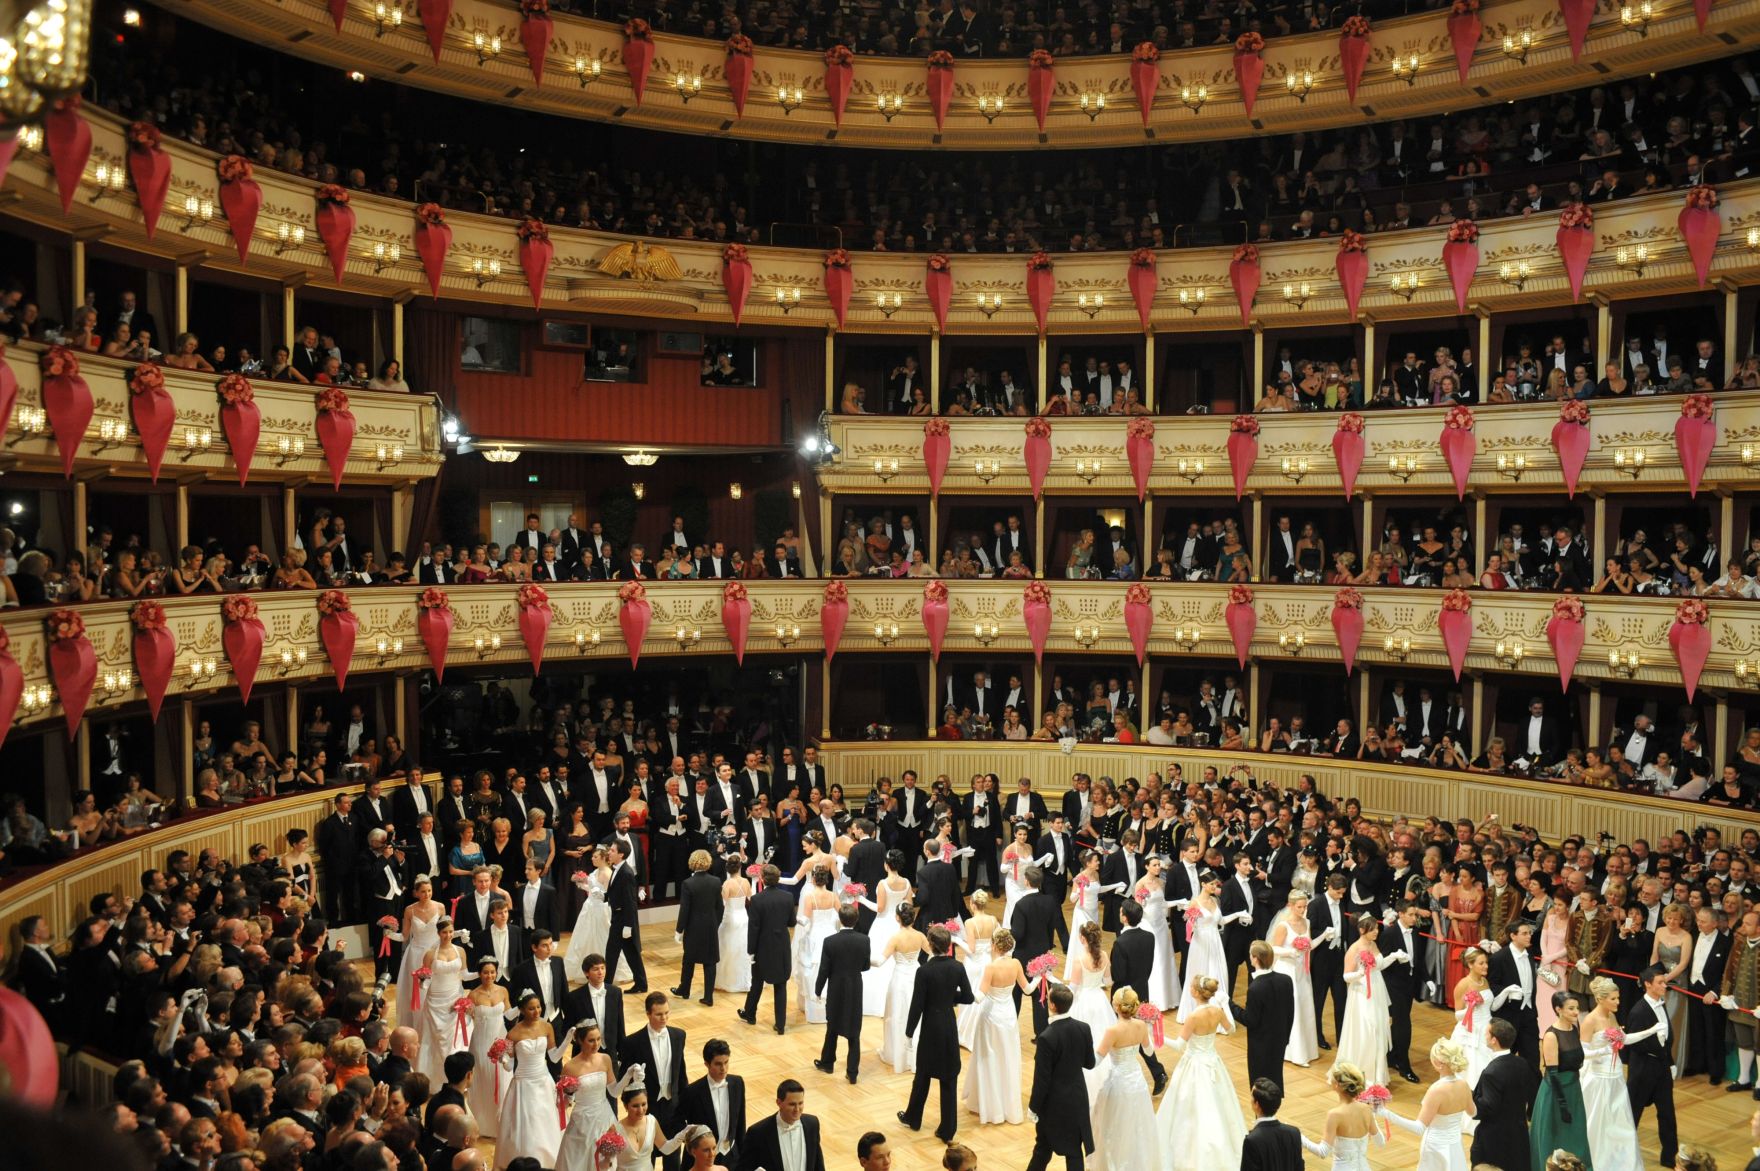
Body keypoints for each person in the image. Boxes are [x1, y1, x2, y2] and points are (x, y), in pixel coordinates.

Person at [1153, 976, 1246, 1171]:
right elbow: (1232, 1031)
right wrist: (1224, 1006)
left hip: (1194, 1064)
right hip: (1213, 1062)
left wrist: (1158, 1036)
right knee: (1219, 1104)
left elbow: (1179, 1045)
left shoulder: (1193, 1017)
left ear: (1195, 992)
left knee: (1190, 1109)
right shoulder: (1218, 1011)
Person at [899, 924, 974, 1143]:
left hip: (931, 1026)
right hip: (949, 1026)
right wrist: (950, 996)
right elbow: (968, 997)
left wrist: (909, 1032)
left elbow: (917, 1005)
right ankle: (947, 1130)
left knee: (922, 1074)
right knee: (949, 1078)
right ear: (949, 946)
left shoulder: (924, 971)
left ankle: (913, 1118)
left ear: (930, 946)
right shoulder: (957, 967)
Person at [1579, 975, 1650, 1171]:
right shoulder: (1589, 1021)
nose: (1618, 1002)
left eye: (1618, 998)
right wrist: (1603, 1051)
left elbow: (1624, 1039)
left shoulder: (1611, 1016)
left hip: (1616, 1075)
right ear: (1600, 999)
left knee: (1620, 1124)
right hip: (1598, 1079)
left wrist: (1651, 1031)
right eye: (1613, 999)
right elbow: (1582, 1053)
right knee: (1598, 1125)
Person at [1024, 984, 1095, 1171]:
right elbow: (1090, 1063)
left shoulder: (1047, 1037)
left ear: (1053, 1005)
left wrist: (1033, 1107)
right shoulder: (1084, 1028)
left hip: (1054, 1104)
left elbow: (1042, 1079)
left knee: (1042, 1149)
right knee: (1074, 1151)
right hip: (1078, 1097)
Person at [1090, 986, 1161, 1171]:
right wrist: (1151, 1030)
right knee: (1137, 1125)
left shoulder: (1113, 1031)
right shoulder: (1141, 1026)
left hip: (1119, 1082)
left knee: (1114, 1125)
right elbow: (1149, 1051)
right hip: (1137, 1081)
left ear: (1116, 1006)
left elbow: (1096, 1061)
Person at [963, 926, 1028, 1125]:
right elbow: (1028, 990)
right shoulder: (1016, 963)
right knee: (1007, 1056)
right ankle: (1007, 1105)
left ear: (994, 945)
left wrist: (963, 993)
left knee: (988, 1057)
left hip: (991, 1017)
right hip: (1008, 1016)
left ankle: (989, 1105)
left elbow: (980, 996)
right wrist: (1045, 976)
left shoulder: (990, 968)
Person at [494, 993, 567, 1169]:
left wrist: (568, 1039)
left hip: (543, 1079)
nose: (537, 1011)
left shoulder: (547, 1027)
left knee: (545, 1119)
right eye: (531, 1008)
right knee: (528, 1122)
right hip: (523, 1083)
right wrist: (502, 1058)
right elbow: (509, 1066)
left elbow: (554, 1057)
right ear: (522, 1010)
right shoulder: (513, 1034)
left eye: (539, 1007)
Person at [553, 1022, 639, 1171]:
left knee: (606, 1160)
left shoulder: (605, 1059)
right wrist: (569, 1094)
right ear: (580, 1040)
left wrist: (628, 1075)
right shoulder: (570, 1067)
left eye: (599, 1039)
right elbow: (562, 1104)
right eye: (591, 1040)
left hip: (604, 1116)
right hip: (582, 1121)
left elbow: (614, 1092)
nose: (596, 1044)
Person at [1383, 1037, 1475, 1171]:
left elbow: (1419, 1128)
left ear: (1438, 1063)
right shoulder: (1464, 1084)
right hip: (1455, 1144)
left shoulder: (1436, 1090)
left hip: (1436, 1147)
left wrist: (1386, 1113)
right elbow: (1473, 1112)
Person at [1622, 965, 1679, 1168]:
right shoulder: (1638, 1012)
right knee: (1633, 1115)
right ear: (1648, 984)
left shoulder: (1660, 1004)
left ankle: (1670, 1157)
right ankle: (1624, 1155)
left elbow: (1667, 1037)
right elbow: (1634, 1044)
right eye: (1660, 982)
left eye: (1665, 982)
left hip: (1661, 1068)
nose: (1665, 985)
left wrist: (1669, 1062)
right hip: (1643, 1071)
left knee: (1667, 1115)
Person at [1531, 991, 1591, 1170]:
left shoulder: (1574, 1027)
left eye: (1577, 1008)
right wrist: (1563, 1105)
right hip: (1555, 1093)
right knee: (1553, 1135)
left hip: (1573, 1088)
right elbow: (1552, 1073)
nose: (1576, 1012)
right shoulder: (1551, 1035)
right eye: (1571, 1008)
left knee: (1577, 1133)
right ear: (1558, 1009)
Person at [813, 903, 868, 1083]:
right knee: (854, 1029)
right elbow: (865, 966)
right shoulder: (864, 940)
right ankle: (852, 1072)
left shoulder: (830, 941)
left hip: (836, 986)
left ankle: (828, 1063)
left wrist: (818, 989)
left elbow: (824, 969)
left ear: (840, 919)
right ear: (856, 920)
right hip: (855, 987)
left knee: (833, 1025)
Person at [1470, 1018, 1534, 1171]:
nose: (1484, 1036)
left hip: (1495, 1139)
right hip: (1518, 1133)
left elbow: (1487, 1109)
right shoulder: (1522, 1063)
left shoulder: (1492, 1073)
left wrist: (1471, 1097)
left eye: (1487, 1034)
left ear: (1494, 1040)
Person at [1232, 940, 1296, 1094]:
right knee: (1275, 1079)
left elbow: (1249, 1020)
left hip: (1260, 1045)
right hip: (1280, 1040)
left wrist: (1229, 1004)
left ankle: (1262, 1114)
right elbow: (1290, 1012)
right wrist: (1285, 1038)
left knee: (1259, 1085)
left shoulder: (1255, 987)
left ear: (1255, 959)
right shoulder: (1286, 980)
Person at [1336, 914, 1392, 1088]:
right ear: (1362, 930)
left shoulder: (1373, 944)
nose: (1376, 931)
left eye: (1377, 928)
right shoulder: (1354, 948)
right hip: (1361, 993)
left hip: (1377, 990)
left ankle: (1377, 1076)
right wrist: (1361, 973)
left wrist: (1393, 957)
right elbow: (1346, 976)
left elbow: (1379, 965)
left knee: (1379, 1030)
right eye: (1373, 928)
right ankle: (1361, 1073)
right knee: (1367, 1030)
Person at [413, 918, 469, 1086]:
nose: (448, 935)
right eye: (444, 932)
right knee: (435, 1040)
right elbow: (426, 982)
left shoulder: (460, 951)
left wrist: (482, 976)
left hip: (455, 998)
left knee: (454, 1039)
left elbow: (464, 975)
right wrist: (422, 981)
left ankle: (456, 1078)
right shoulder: (430, 954)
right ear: (438, 933)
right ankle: (436, 1080)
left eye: (451, 932)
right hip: (435, 1000)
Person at [740, 865, 793, 1034]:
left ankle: (750, 1014)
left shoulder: (757, 900)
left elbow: (753, 928)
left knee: (757, 982)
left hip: (763, 946)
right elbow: (791, 922)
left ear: (762, 879)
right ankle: (781, 1024)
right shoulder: (788, 897)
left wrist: (751, 950)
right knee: (780, 985)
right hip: (782, 946)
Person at [1298, 1062, 1382, 1171]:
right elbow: (1380, 1142)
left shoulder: (1334, 1115)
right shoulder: (1366, 1109)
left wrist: (1299, 1137)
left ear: (1337, 1085)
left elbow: (1323, 1152)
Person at [679, 1038, 747, 1170]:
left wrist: (743, 1157)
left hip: (731, 1157)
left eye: (726, 1062)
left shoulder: (737, 1083)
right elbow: (678, 1122)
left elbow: (740, 1123)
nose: (723, 1068)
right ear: (707, 1064)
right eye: (718, 1064)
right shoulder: (692, 1092)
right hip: (701, 1159)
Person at [1266, 894, 1317, 1069]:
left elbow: (1309, 944)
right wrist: (1290, 952)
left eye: (1305, 907)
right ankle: (1292, 1051)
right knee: (1291, 1008)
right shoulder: (1283, 925)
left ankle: (1307, 1049)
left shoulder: (1307, 923)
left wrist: (1324, 936)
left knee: (1304, 1006)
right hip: (1287, 970)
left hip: (1302, 969)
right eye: (1299, 907)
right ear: (1291, 905)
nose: (1303, 910)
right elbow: (1273, 948)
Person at [1176, 871, 1230, 1023]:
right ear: (1203, 884)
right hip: (1201, 942)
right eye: (1211, 884)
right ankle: (1195, 1011)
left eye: (1215, 884)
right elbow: (1187, 921)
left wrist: (1237, 914)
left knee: (1218, 972)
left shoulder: (1215, 900)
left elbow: (1221, 921)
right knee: (1199, 972)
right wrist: (1191, 925)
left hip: (1215, 941)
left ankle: (1216, 1013)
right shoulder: (1195, 902)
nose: (1214, 886)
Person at [464, 958, 509, 1138]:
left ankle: (502, 1123)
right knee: (484, 1079)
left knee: (502, 1079)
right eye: (485, 972)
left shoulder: (503, 990)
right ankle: (483, 1124)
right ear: (479, 974)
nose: (489, 976)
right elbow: (468, 1021)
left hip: (500, 1038)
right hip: (481, 1041)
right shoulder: (473, 995)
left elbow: (508, 1013)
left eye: (492, 972)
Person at [736, 1080, 823, 1171]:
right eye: (792, 1104)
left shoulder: (812, 1124)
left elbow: (818, 1164)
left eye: (800, 1103)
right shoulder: (758, 1133)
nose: (797, 1109)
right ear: (779, 1102)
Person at [673, 850, 724, 1005]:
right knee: (710, 962)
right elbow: (720, 907)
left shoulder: (688, 883)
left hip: (693, 927)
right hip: (710, 926)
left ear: (692, 862)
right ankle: (708, 997)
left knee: (688, 959)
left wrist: (679, 929)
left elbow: (685, 909)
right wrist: (715, 923)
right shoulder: (716, 881)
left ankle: (685, 989)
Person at [606, 1082, 686, 1171]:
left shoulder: (652, 1121)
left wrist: (683, 1134)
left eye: (644, 1104)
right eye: (635, 1106)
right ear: (625, 1106)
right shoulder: (615, 1130)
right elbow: (607, 1164)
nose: (640, 1110)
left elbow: (666, 1148)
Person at [603, 839, 647, 994]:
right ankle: (641, 984)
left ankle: (606, 986)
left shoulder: (626, 873)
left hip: (623, 919)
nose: (609, 852)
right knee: (631, 952)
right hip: (619, 917)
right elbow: (616, 892)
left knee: (612, 952)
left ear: (621, 854)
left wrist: (628, 925)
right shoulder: (617, 869)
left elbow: (630, 901)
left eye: (613, 851)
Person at [1241, 1078, 1303, 1171]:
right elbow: (1299, 1167)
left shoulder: (1252, 1140)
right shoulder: (1294, 1133)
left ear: (1256, 1104)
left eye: (1251, 1096)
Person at [716, 858, 754, 997]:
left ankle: (728, 980)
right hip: (743, 917)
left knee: (728, 948)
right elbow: (750, 898)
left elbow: (723, 903)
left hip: (731, 918)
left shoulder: (727, 884)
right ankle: (743, 980)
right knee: (742, 948)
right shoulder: (745, 882)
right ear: (739, 868)